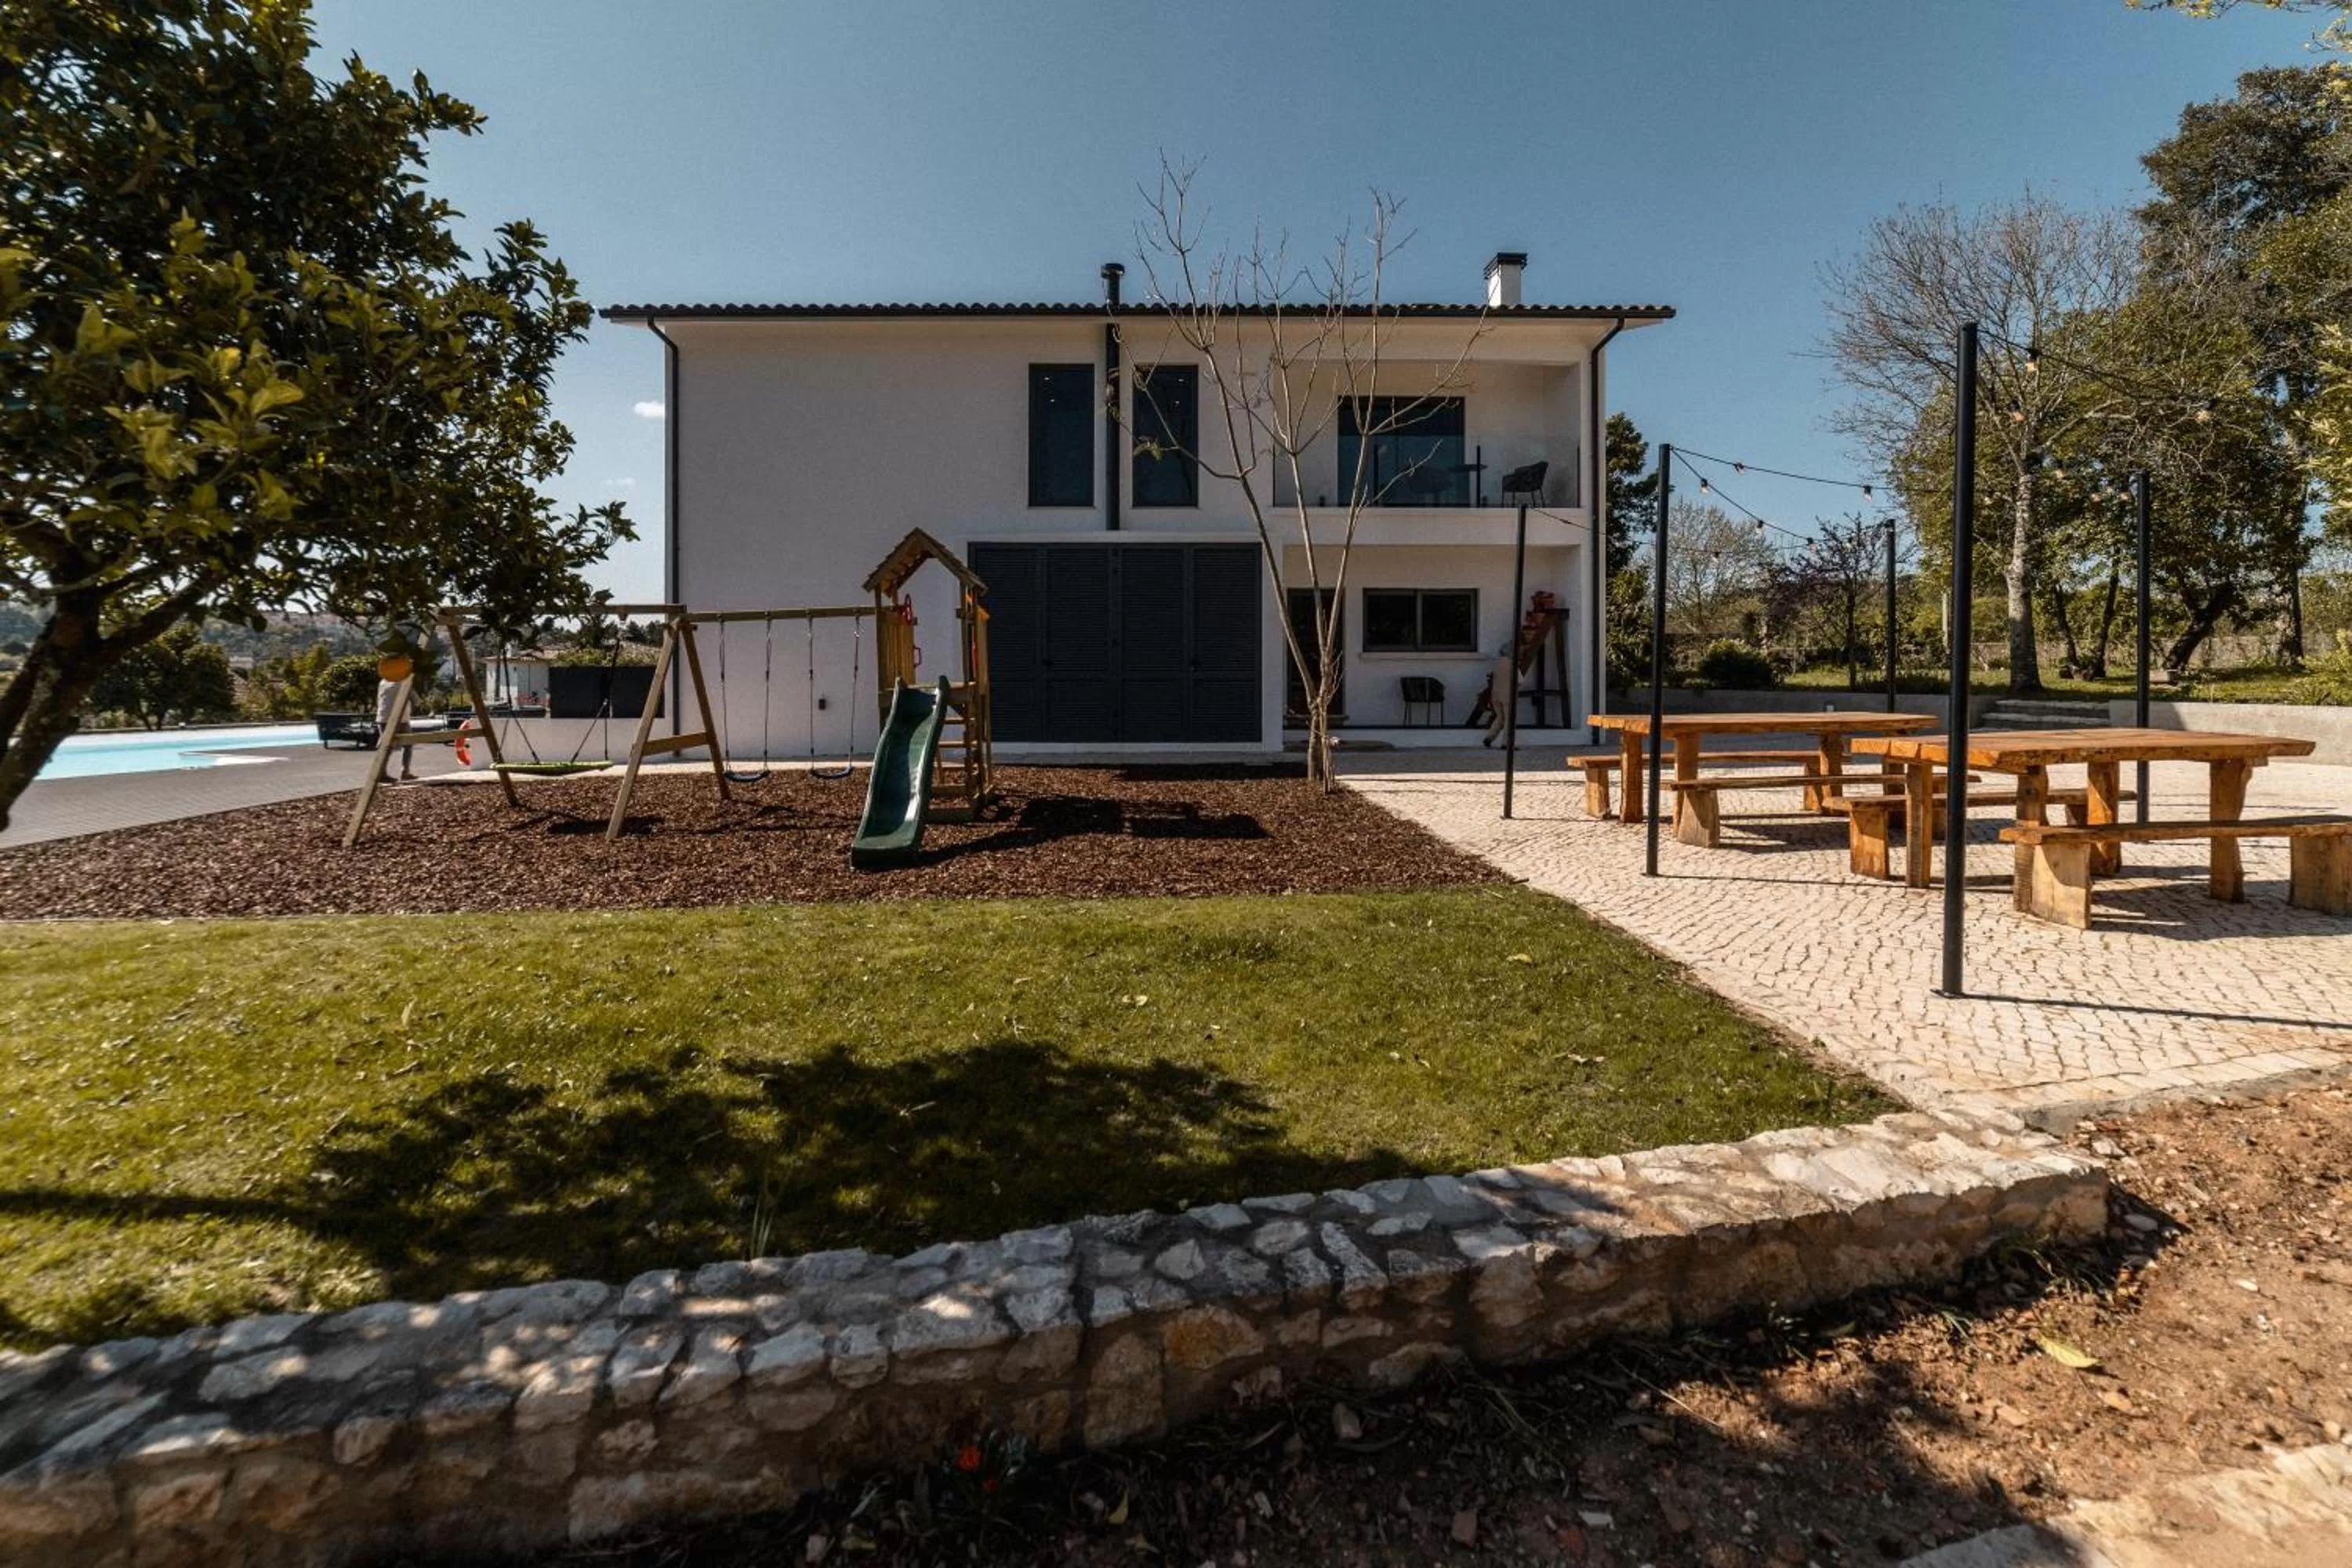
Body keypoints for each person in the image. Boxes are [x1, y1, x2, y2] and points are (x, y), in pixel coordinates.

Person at [376, 674, 416, 782]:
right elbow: (415, 698)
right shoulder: (404, 680)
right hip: (400, 718)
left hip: (383, 717)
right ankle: (404, 772)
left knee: (386, 746)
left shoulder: (383, 681)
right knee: (407, 744)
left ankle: (382, 773)